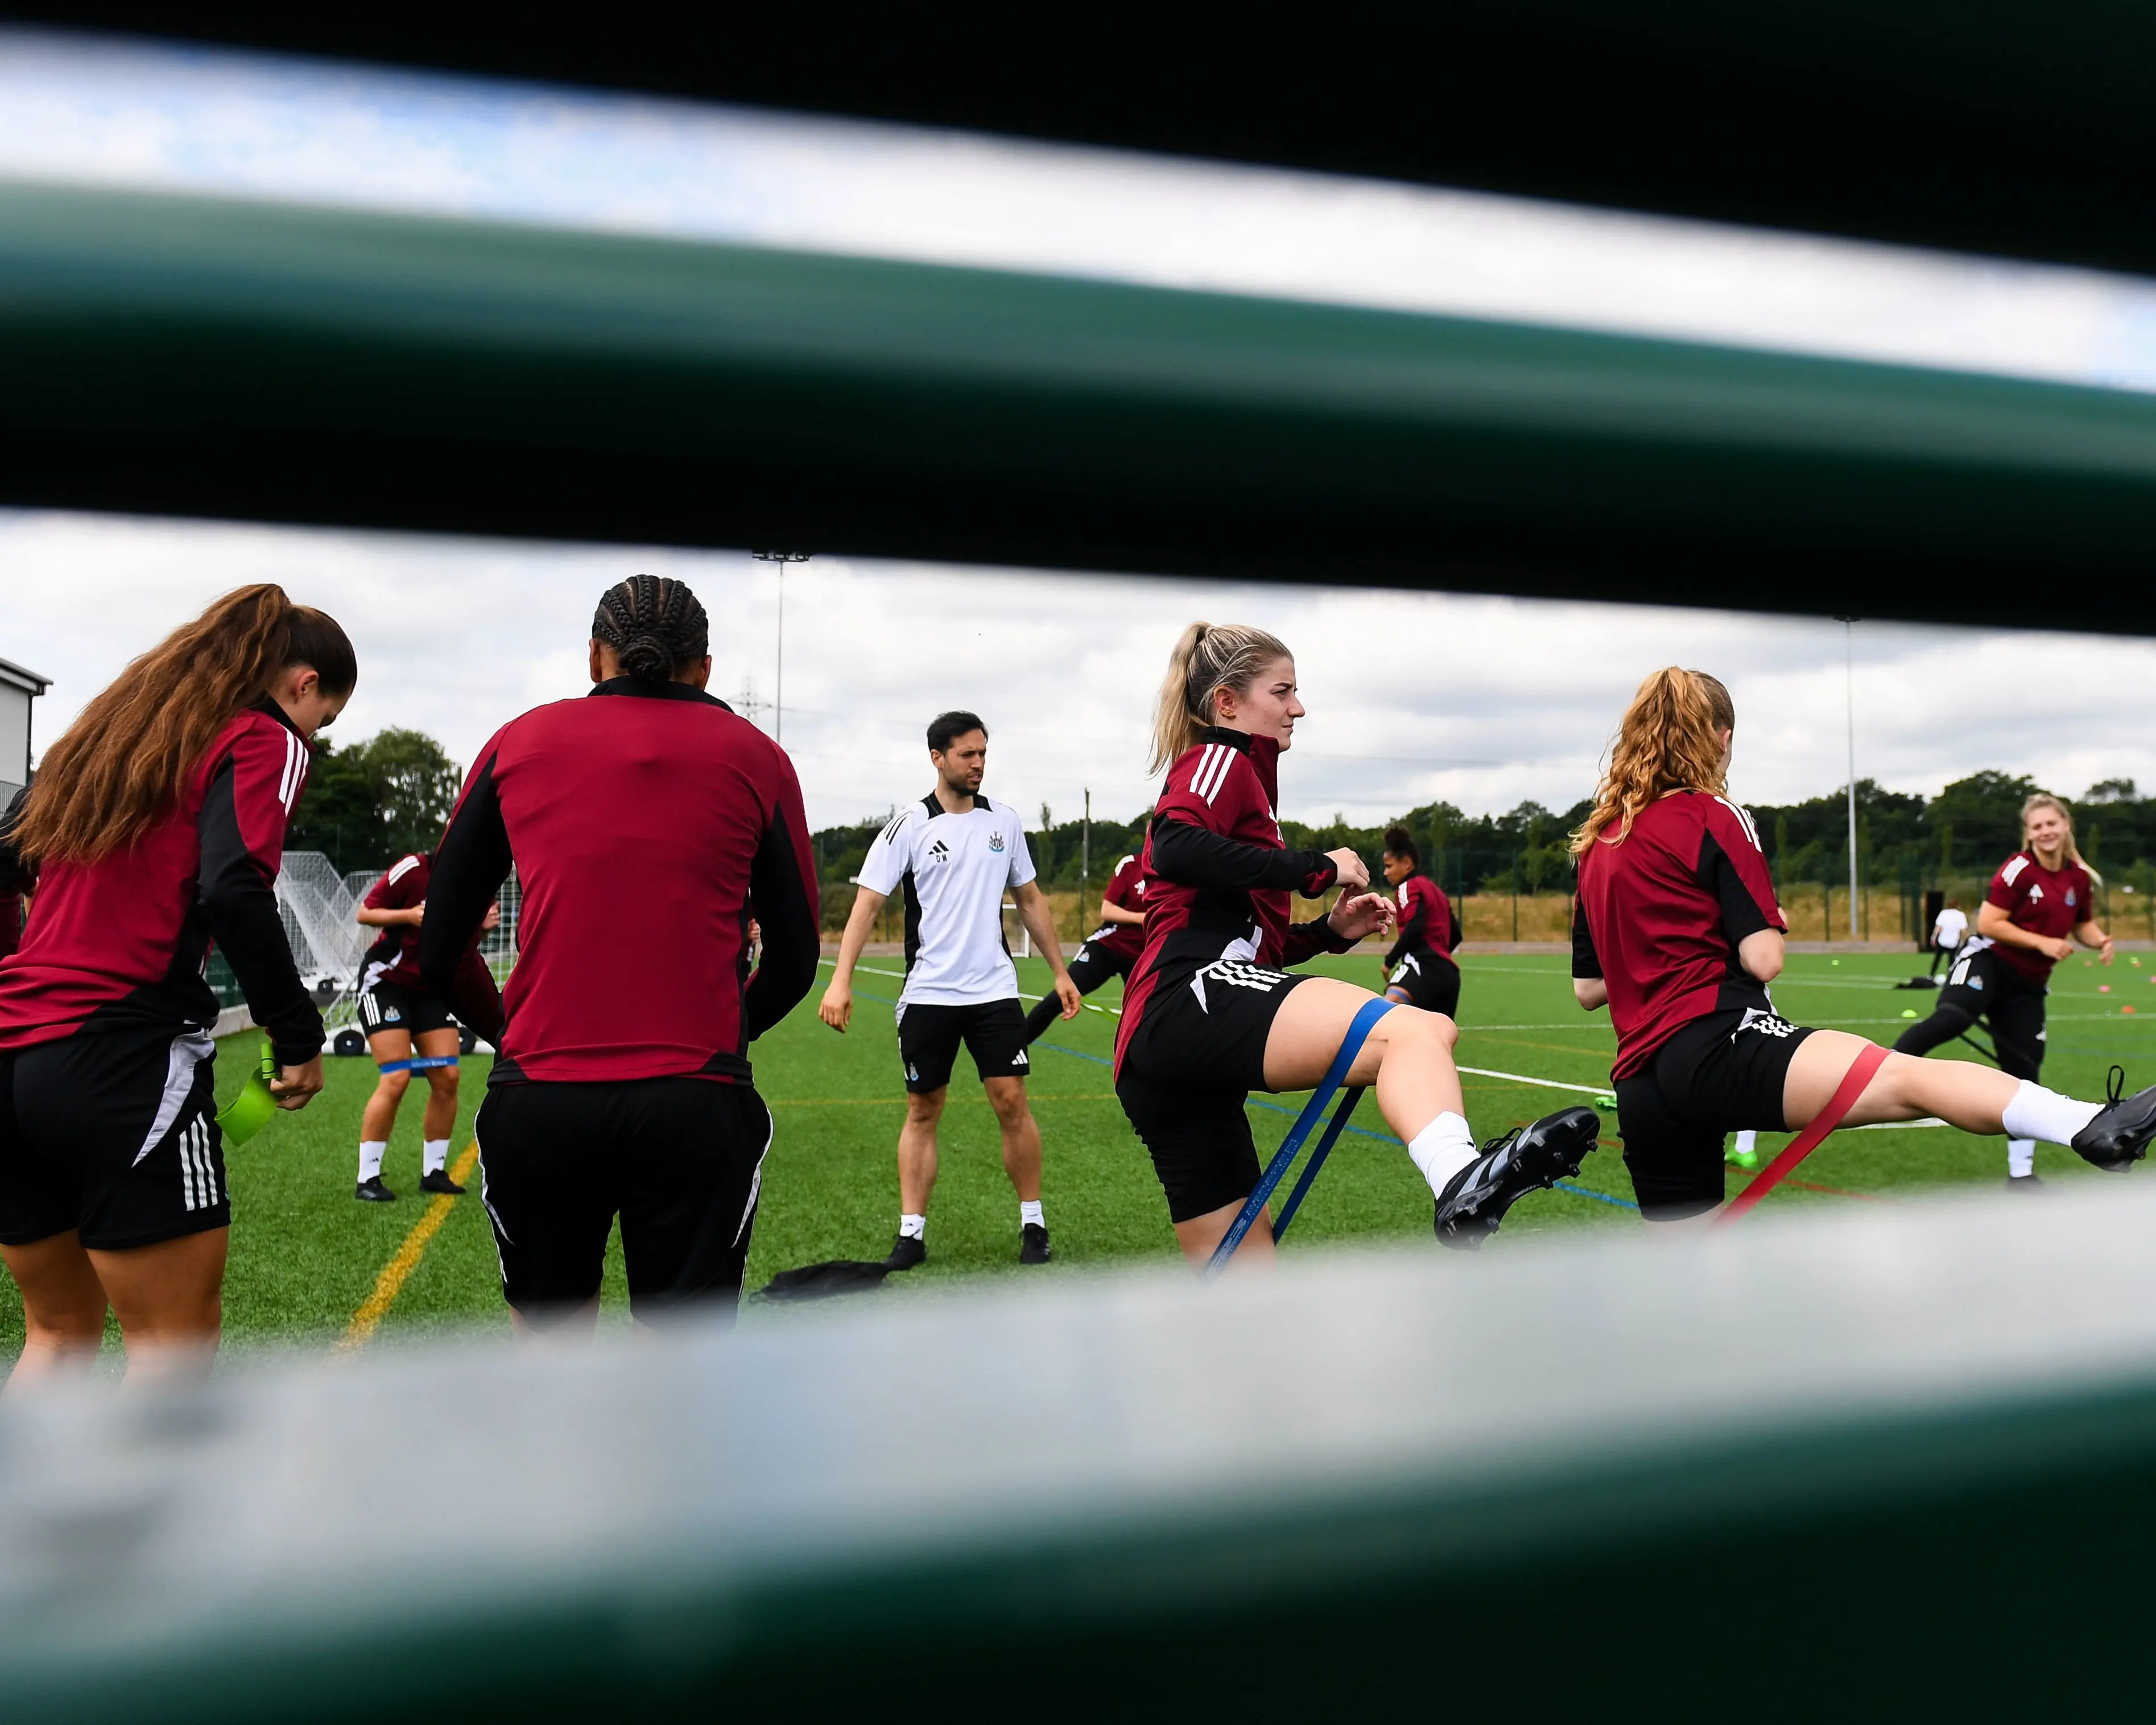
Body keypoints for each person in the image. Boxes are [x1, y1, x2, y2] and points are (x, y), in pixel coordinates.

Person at [1569, 668, 2156, 1225]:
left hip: (1641, 1082)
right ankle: (2088, 1122)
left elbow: (1590, 988)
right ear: (1721, 738)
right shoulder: (1713, 813)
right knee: (1910, 1079)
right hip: (1720, 1043)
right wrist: (1761, 926)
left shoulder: (1599, 840)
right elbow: (1763, 958)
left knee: (1684, 1268)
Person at [1114, 622, 1602, 1266]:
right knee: (1417, 1031)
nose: (1298, 707)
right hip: (1185, 996)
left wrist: (1326, 932)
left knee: (1242, 1279)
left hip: (1163, 1045)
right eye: (1282, 691)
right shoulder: (1221, 757)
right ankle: (1458, 1176)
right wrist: (1315, 868)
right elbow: (1175, 844)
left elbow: (1236, 935)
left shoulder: (1247, 781)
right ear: (1227, 702)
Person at [420, 574, 820, 1333]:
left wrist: (516, 1037)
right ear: (704, 667)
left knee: (551, 1352)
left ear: (594, 656)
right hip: (695, 1101)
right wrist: (722, 1036)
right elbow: (796, 959)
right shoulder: (757, 756)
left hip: (541, 1098)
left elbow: (439, 949)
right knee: (681, 1366)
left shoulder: (517, 741)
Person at [0, 585, 352, 1386]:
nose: (313, 737)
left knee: (56, 1335)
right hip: (120, 1055)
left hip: (13, 1056)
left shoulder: (105, 743)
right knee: (173, 1354)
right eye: (323, 720)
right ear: (303, 684)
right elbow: (234, 888)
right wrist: (297, 1035)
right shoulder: (264, 735)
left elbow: (3, 859)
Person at [819, 712, 1081, 1269]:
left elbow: (1030, 899)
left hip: (993, 991)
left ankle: (1033, 1223)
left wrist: (1061, 971)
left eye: (983, 753)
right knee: (923, 1109)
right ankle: (911, 1234)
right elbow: (868, 904)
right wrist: (840, 980)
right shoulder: (909, 826)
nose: (978, 763)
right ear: (937, 758)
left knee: (1012, 1101)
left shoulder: (1003, 822)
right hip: (929, 994)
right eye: (967, 754)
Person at [1894, 796, 2115, 1188]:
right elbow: (1990, 923)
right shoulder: (2019, 869)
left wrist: (2101, 941)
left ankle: (2021, 1175)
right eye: (2037, 826)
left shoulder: (2078, 878)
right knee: (1952, 1019)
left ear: (2066, 825)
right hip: (1988, 962)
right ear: (2028, 833)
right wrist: (2043, 943)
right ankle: (1876, 1075)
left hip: (2028, 984)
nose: (2045, 832)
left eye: (2051, 823)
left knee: (2025, 1070)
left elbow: (2082, 923)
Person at [349, 850, 499, 1202]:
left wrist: (481, 927)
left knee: (448, 1076)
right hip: (385, 983)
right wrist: (410, 915)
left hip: (430, 988)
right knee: (397, 1076)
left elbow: (462, 944)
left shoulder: (476, 879)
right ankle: (367, 1178)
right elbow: (365, 913)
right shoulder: (415, 868)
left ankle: (434, 1172)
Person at [1022, 845, 1145, 1045]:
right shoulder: (1132, 865)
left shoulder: (1176, 874)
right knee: (1061, 998)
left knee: (1147, 1017)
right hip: (1108, 947)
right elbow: (1107, 910)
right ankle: (1013, 1049)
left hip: (1143, 957)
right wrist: (1143, 918)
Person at [1378, 827, 1462, 1018]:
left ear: (1407, 864)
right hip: (1449, 974)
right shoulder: (1435, 890)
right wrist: (1439, 958)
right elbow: (1456, 934)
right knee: (1436, 1034)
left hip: (1421, 965)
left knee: (1384, 1014)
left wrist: (1390, 961)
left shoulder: (1407, 887)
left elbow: (1416, 926)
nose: (1385, 873)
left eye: (1389, 866)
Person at [1928, 898, 1969, 977]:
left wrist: (1933, 937)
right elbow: (1963, 930)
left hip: (1942, 940)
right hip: (1953, 942)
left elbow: (1938, 927)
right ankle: (1951, 977)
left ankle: (1931, 975)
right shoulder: (1961, 915)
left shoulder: (1943, 913)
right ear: (1958, 906)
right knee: (1952, 961)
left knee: (1937, 959)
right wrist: (1968, 939)